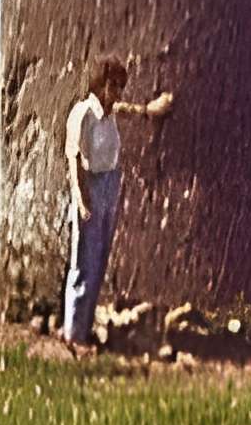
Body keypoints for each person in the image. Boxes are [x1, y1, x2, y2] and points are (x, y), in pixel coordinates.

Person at [62, 57, 174, 349]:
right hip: (91, 184)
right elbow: (73, 158)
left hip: (110, 185)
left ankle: (84, 331)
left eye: (121, 87)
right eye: (114, 85)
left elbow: (128, 110)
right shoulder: (83, 113)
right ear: (100, 83)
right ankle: (72, 333)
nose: (118, 92)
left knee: (99, 261)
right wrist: (81, 196)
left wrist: (150, 110)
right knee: (83, 261)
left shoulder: (110, 112)